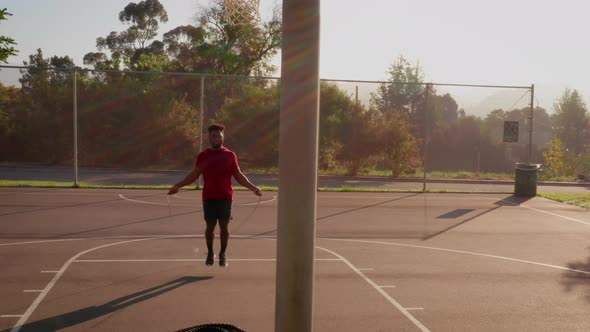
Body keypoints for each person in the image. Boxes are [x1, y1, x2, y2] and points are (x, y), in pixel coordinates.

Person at [168, 124, 262, 267]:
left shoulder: (230, 155)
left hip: (225, 197)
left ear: (223, 136)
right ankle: (210, 253)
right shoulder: (203, 156)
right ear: (209, 137)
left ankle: (223, 254)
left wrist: (253, 188)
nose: (216, 138)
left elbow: (238, 175)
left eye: (219, 135)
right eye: (213, 135)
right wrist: (177, 186)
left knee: (224, 226)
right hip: (209, 197)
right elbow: (194, 175)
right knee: (210, 226)